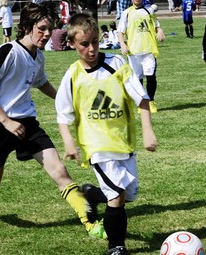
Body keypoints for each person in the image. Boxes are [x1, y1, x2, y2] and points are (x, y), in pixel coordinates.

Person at [0, 2, 105, 239]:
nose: (47, 34)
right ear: (27, 26)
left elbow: (41, 83)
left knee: (59, 171)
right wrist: (6, 121)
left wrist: (66, 101)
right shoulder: (8, 52)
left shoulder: (37, 57)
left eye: (50, 29)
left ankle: (91, 224)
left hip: (27, 123)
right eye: (42, 28)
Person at [55, 13, 157, 255]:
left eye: (94, 42)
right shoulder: (72, 76)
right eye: (84, 44)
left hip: (123, 141)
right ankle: (116, 247)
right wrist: (69, 141)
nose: (91, 49)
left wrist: (148, 131)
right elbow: (62, 114)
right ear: (72, 44)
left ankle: (91, 194)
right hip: (96, 146)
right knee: (118, 196)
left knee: (128, 194)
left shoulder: (117, 64)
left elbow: (141, 98)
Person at [117, 0, 165, 113]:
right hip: (134, 51)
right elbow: (120, 31)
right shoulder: (126, 13)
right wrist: (122, 44)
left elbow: (157, 25)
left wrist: (160, 31)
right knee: (137, 79)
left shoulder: (149, 11)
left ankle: (151, 101)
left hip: (149, 50)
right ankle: (142, 103)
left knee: (151, 76)